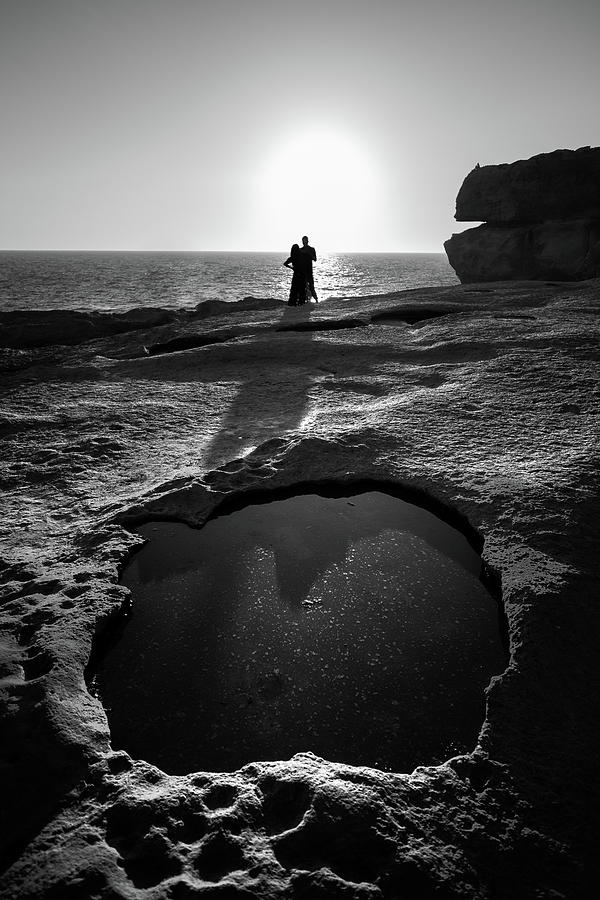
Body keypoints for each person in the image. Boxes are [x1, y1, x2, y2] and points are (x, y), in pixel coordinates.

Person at [299, 235, 318, 301]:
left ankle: (316, 301)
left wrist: (308, 254)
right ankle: (303, 301)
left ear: (307, 241)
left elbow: (315, 259)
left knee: (311, 287)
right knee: (302, 288)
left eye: (305, 241)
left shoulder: (312, 249)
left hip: (309, 272)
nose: (304, 242)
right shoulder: (300, 250)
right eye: (303, 241)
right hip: (302, 272)